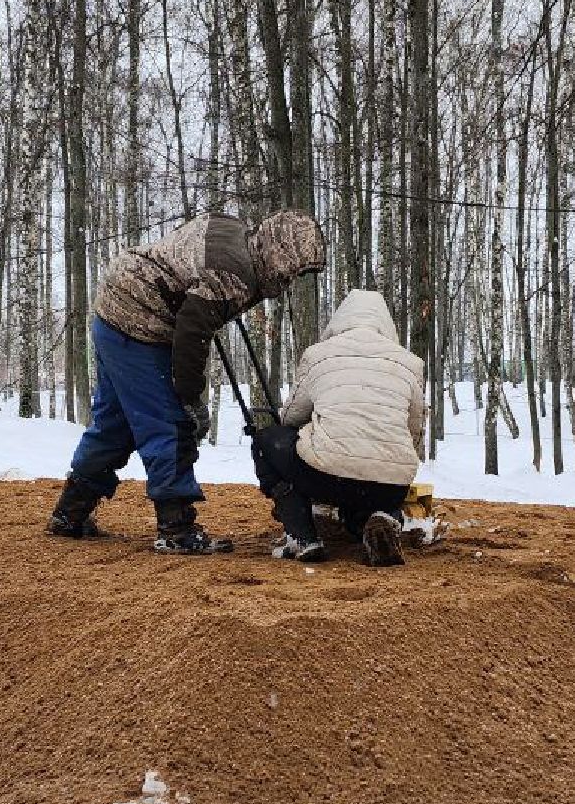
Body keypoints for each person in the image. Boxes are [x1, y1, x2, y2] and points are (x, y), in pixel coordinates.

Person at [47, 210, 325, 554]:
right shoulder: (233, 274)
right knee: (170, 422)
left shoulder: (235, 232)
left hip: (114, 311)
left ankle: (69, 514)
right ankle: (176, 529)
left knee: (115, 425)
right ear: (278, 255)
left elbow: (190, 273)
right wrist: (191, 398)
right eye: (290, 274)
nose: (287, 283)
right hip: (140, 321)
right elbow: (192, 336)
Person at [250, 290, 424, 567]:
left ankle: (302, 536)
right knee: (372, 476)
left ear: (339, 320)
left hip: (328, 476)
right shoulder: (410, 362)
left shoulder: (319, 355)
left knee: (266, 440)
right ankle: (381, 517)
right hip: (392, 483)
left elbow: (292, 417)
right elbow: (414, 428)